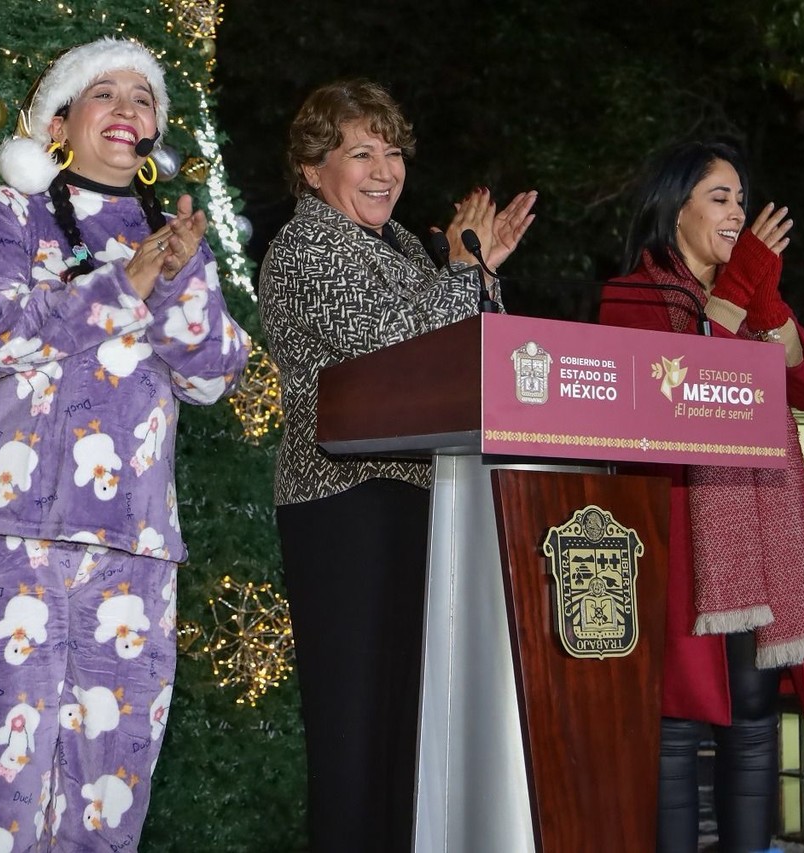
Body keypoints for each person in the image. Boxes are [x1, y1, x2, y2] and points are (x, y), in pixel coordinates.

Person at [0, 36, 251, 852]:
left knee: (107, 803)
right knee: (1, 796)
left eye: (144, 100)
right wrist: (117, 286)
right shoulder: (4, 214)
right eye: (108, 95)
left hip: (131, 552)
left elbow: (215, 375)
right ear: (59, 122)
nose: (130, 111)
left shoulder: (175, 238)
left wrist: (170, 287)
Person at [256, 78, 536, 853]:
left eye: (394, 150)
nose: (385, 169)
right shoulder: (305, 246)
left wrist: (481, 275)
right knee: (356, 733)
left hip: (427, 496)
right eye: (361, 152)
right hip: (344, 502)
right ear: (313, 170)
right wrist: (458, 273)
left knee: (412, 733)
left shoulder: (406, 244)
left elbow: (475, 359)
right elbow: (391, 352)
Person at [597, 139, 804, 853]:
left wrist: (760, 295)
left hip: (760, 541)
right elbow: (690, 385)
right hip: (676, 535)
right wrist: (739, 291)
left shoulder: (750, 291)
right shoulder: (633, 297)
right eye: (720, 197)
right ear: (675, 210)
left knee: (755, 711)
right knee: (676, 722)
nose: (738, 211)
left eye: (741, 196)